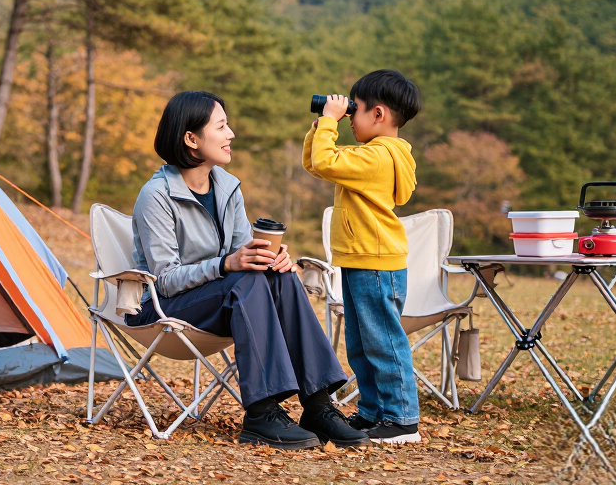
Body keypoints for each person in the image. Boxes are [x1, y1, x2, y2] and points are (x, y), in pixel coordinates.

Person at [129, 91, 367, 450]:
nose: (231, 134)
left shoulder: (226, 185)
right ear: (191, 139)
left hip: (226, 301)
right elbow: (164, 281)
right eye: (221, 126)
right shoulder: (157, 195)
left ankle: (317, 405)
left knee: (279, 274)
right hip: (164, 308)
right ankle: (261, 413)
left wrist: (271, 258)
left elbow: (244, 255)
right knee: (246, 278)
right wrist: (227, 264)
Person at [302, 69, 422, 444]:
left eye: (354, 111)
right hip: (360, 260)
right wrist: (321, 124)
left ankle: (403, 419)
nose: (349, 119)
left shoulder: (380, 157)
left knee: (384, 342)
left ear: (379, 115)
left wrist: (328, 123)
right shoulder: (375, 155)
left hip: (375, 263)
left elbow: (326, 162)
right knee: (361, 344)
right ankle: (373, 412)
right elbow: (315, 162)